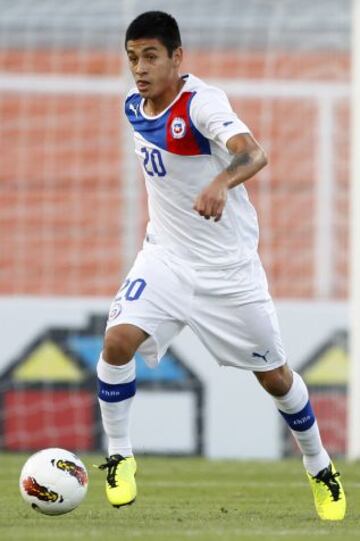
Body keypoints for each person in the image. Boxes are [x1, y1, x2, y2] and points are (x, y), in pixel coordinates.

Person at [96, 10, 346, 520]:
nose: (139, 69)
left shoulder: (203, 103)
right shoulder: (132, 106)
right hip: (165, 257)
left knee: (275, 377)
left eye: (150, 56)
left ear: (176, 57)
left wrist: (219, 183)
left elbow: (253, 154)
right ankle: (119, 454)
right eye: (132, 58)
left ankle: (320, 467)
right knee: (117, 341)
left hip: (227, 271)